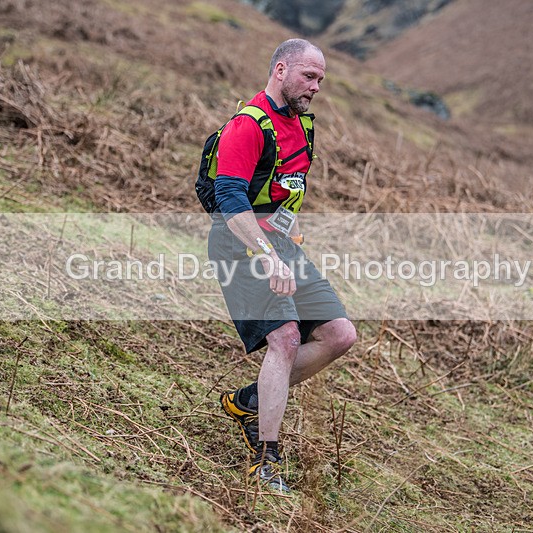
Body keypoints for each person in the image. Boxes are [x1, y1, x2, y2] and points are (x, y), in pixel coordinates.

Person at [208, 38, 357, 493]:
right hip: (241, 246)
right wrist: (267, 255)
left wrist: (286, 241)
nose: (315, 87)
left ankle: (250, 401)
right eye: (308, 76)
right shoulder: (247, 126)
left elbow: (284, 191)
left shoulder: (302, 125)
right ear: (280, 69)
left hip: (282, 245)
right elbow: (228, 199)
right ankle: (264, 459)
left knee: (340, 335)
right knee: (286, 338)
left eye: (320, 80)